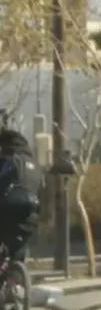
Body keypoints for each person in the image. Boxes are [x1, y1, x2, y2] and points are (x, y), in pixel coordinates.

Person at [0, 111, 41, 262]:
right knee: (18, 246)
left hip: (8, 210)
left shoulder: (8, 159)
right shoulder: (34, 164)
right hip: (31, 214)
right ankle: (16, 270)